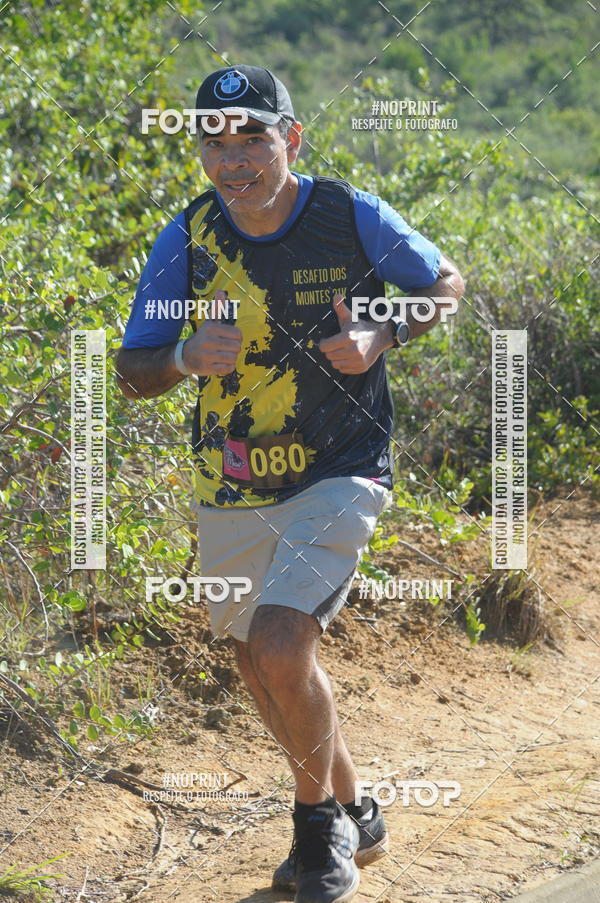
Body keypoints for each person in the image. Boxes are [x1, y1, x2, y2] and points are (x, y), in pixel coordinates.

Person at [117, 64, 464, 903]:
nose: (234, 159)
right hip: (232, 479)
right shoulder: (189, 235)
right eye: (215, 143)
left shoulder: (349, 213)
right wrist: (182, 357)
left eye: (253, 139)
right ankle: (355, 810)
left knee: (280, 643)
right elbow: (132, 369)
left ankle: (316, 834)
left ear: (292, 140)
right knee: (257, 663)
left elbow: (446, 285)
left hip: (342, 465)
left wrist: (384, 329)